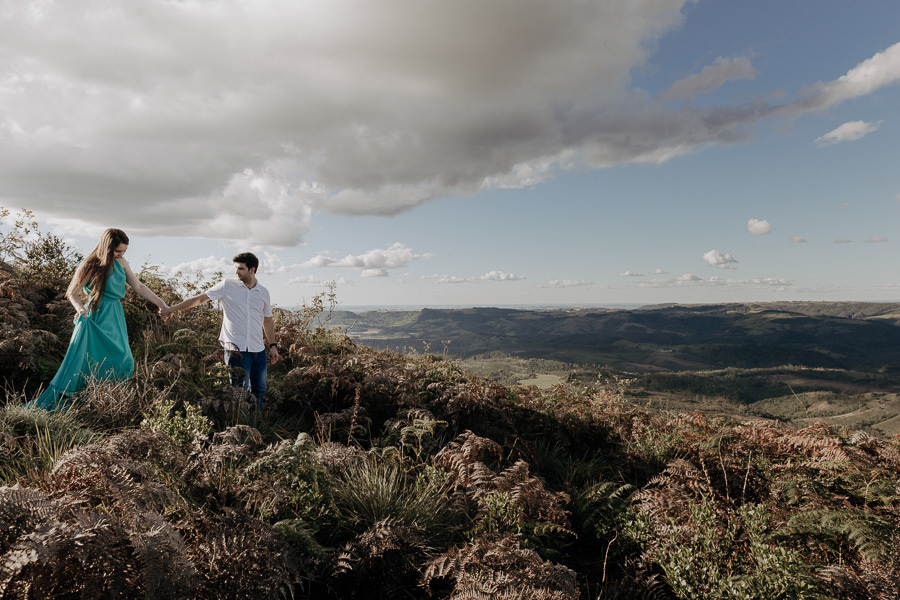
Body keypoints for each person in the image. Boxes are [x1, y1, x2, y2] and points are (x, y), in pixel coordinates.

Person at [35, 228, 169, 409]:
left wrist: (162, 305)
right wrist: (81, 309)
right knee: (93, 363)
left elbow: (138, 286)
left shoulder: (121, 262)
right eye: (117, 251)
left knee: (125, 361)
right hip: (96, 315)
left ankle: (108, 403)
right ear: (107, 247)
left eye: (123, 251)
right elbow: (72, 292)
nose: (120, 254)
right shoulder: (91, 265)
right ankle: (86, 403)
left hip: (116, 315)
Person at [161, 252, 279, 410]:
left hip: (258, 350)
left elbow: (268, 320)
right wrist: (172, 309)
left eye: (240, 269)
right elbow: (199, 299)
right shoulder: (227, 286)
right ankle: (239, 426)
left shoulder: (263, 292)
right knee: (239, 393)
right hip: (236, 349)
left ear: (252, 270)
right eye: (236, 268)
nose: (236, 272)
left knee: (259, 392)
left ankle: (254, 428)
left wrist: (273, 345)